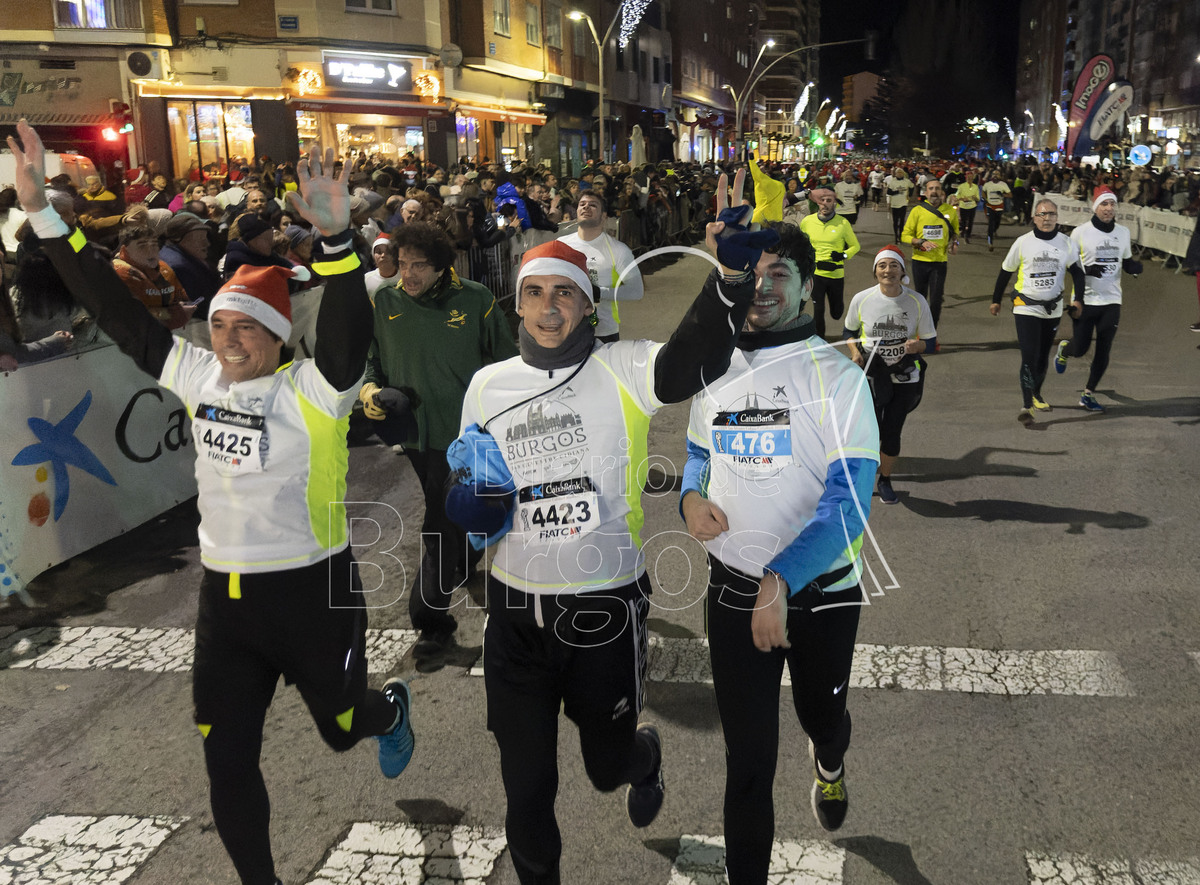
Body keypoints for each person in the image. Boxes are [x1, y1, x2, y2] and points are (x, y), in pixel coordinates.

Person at [9, 121, 415, 885]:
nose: (228, 341)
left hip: (314, 592)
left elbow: (350, 334)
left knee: (341, 729)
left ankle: (385, 710)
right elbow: (117, 309)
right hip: (224, 603)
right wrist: (43, 217)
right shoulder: (201, 377)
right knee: (226, 760)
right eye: (219, 324)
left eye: (245, 328)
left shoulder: (314, 390)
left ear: (275, 334)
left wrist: (337, 241)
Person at [444, 172, 778, 885]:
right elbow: (472, 481)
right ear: (518, 307)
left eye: (564, 292)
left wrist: (727, 280)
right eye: (534, 293)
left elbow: (691, 359)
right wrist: (468, 507)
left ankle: (641, 755)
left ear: (589, 304)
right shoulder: (488, 384)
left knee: (603, 766)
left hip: (602, 607)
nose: (548, 307)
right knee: (527, 787)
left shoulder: (621, 368)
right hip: (514, 614)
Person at [680, 222, 878, 881]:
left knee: (820, 715)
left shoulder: (840, 378)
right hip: (734, 590)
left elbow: (848, 506)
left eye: (778, 275)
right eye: (752, 273)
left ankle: (830, 758)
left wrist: (782, 579)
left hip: (821, 594)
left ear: (805, 287)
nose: (760, 288)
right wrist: (689, 496)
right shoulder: (715, 369)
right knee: (748, 763)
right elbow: (697, 452)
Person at [359, 222, 518, 661]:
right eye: (401, 264)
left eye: (418, 266)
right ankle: (464, 561)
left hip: (467, 439)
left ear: (441, 266)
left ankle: (431, 622)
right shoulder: (384, 301)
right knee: (447, 517)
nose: (407, 274)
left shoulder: (475, 300)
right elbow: (372, 361)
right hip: (413, 435)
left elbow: (507, 366)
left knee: (438, 523)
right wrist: (369, 391)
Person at [843, 246, 937, 505]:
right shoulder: (862, 299)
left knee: (892, 430)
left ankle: (885, 479)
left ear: (902, 271)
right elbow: (848, 332)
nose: (888, 270)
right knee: (868, 430)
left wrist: (917, 346)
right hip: (873, 374)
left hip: (905, 374)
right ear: (875, 271)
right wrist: (854, 351)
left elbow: (931, 342)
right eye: (882, 266)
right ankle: (862, 479)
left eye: (893, 265)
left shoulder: (917, 300)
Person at [990, 198, 1086, 424]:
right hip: (1026, 307)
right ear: (1035, 218)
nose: (1047, 218)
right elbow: (1005, 272)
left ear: (1057, 218)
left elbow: (1078, 274)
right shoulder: (1023, 242)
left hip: (1052, 308)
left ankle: (1036, 394)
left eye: (1051, 214)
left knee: (1043, 356)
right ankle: (1026, 405)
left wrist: (1079, 300)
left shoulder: (1066, 243)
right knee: (1029, 356)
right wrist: (996, 300)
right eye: (1042, 214)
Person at [1054, 189, 1143, 412]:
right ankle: (1066, 350)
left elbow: (1126, 260)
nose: (1109, 209)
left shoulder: (1122, 232)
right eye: (1104, 204)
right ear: (1096, 207)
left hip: (1112, 299)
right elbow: (1068, 265)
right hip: (1085, 300)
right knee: (1081, 348)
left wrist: (1134, 267)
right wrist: (1088, 269)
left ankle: (1088, 394)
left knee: (1104, 349)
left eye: (1112, 204)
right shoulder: (1080, 233)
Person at [556, 190, 644, 343]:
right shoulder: (561, 244)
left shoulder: (618, 250)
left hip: (603, 331)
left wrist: (598, 292)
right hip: (567, 329)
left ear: (604, 216)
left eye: (593, 205)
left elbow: (636, 291)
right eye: (582, 204)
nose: (586, 207)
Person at [799, 186, 860, 339]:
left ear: (834, 204)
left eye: (829, 200)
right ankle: (820, 339)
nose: (825, 203)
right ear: (818, 203)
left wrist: (843, 255)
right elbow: (800, 243)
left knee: (836, 312)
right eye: (822, 200)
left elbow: (855, 246)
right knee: (818, 309)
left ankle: (837, 308)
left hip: (836, 273)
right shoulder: (807, 222)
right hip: (816, 274)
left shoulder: (843, 223)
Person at [112, 224, 195, 330]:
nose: (151, 250)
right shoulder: (121, 273)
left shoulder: (163, 268)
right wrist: (177, 313)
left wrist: (184, 303)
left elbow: (180, 294)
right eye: (142, 246)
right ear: (125, 251)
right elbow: (133, 315)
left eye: (154, 245)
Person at [901, 179, 958, 330]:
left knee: (936, 300)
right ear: (925, 192)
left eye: (937, 188)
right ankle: (919, 329)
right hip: (919, 261)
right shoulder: (917, 211)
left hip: (939, 262)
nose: (934, 191)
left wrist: (955, 244)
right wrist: (920, 242)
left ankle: (931, 333)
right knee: (920, 298)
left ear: (942, 192)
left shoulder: (950, 211)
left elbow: (955, 233)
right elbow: (904, 236)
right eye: (931, 188)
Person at [981, 169, 1011, 252]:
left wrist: (1002, 194)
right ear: (991, 176)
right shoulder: (987, 184)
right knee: (991, 223)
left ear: (1000, 176)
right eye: (994, 174)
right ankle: (990, 242)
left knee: (997, 222)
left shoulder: (1003, 185)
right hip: (990, 206)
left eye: (997, 174)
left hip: (999, 206)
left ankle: (994, 230)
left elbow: (1010, 195)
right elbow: (983, 192)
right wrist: (984, 198)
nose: (995, 175)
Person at [363, 232, 400, 299]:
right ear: (373, 256)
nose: (383, 255)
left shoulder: (404, 274)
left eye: (388, 251)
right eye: (379, 252)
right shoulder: (366, 280)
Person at [884, 165, 914, 243]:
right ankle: (896, 236)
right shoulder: (892, 181)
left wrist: (910, 194)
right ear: (896, 174)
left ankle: (900, 236)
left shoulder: (907, 181)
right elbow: (889, 192)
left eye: (901, 173)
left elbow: (912, 186)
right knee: (895, 221)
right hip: (894, 204)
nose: (900, 174)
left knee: (902, 221)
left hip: (904, 203)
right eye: (898, 173)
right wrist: (897, 192)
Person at [954, 169, 980, 245]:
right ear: (966, 178)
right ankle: (963, 232)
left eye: (971, 178)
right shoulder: (961, 186)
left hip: (972, 206)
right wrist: (962, 198)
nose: (970, 179)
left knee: (971, 220)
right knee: (964, 220)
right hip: (963, 206)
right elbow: (957, 196)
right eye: (968, 177)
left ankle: (968, 234)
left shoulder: (975, 187)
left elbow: (978, 197)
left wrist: (975, 198)